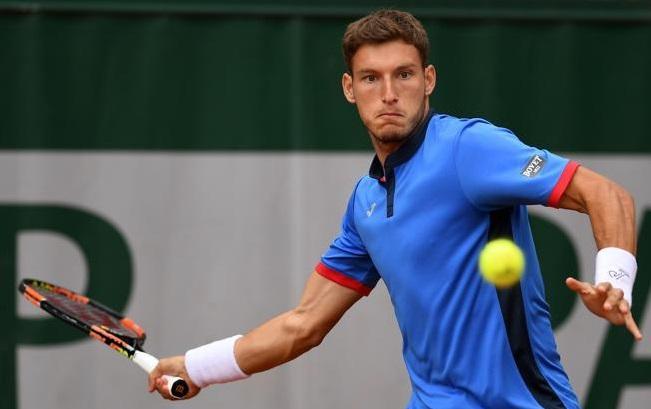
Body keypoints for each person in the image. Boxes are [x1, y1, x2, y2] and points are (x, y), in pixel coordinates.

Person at [148, 9, 642, 408]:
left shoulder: (467, 148)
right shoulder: (365, 204)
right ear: (349, 89)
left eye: (403, 75)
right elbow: (303, 325)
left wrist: (615, 279)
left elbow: (605, 195)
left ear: (428, 80)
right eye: (370, 78)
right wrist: (196, 367)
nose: (388, 94)